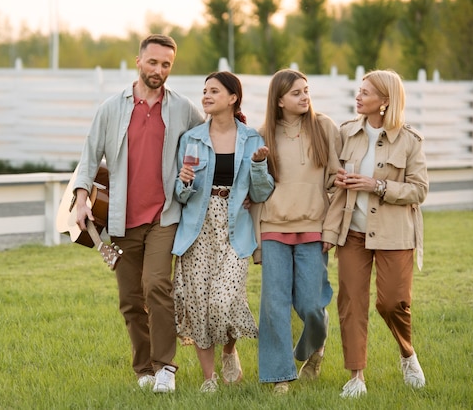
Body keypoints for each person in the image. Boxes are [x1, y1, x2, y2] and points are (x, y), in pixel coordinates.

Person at [73, 34, 204, 393]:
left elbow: (207, 139)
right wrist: (82, 198)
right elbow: (88, 158)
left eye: (166, 65)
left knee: (157, 285)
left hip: (164, 215)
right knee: (130, 299)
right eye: (153, 62)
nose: (159, 70)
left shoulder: (184, 109)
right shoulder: (111, 108)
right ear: (138, 61)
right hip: (120, 219)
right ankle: (144, 370)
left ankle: (165, 368)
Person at [322, 69, 428, 398]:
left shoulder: (410, 141)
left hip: (395, 234)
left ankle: (407, 353)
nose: (358, 96)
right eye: (359, 90)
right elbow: (329, 179)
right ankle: (356, 377)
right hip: (352, 233)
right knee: (351, 302)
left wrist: (376, 186)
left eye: (366, 92)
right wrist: (337, 182)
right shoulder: (345, 133)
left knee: (393, 301)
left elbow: (419, 191)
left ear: (385, 101)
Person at [172, 71, 274, 393]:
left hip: (235, 227)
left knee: (221, 300)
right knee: (198, 302)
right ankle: (209, 379)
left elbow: (260, 193)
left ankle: (230, 349)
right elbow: (180, 194)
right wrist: (185, 181)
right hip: (196, 229)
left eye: (214, 91)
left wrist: (258, 166)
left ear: (233, 98)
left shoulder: (253, 140)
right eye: (204, 91)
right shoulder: (191, 139)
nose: (206, 96)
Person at [253, 69, 342, 394]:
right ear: (279, 100)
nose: (305, 97)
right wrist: (257, 243)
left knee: (310, 305)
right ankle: (280, 376)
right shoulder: (262, 134)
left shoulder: (325, 129)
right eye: (296, 93)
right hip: (273, 229)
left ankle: (311, 349)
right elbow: (256, 193)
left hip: (314, 229)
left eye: (306, 91)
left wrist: (331, 229)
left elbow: (336, 182)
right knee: (274, 305)